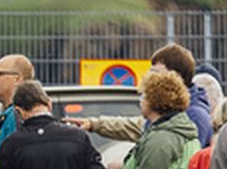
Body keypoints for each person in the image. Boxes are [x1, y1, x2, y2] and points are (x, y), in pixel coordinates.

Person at [75, 43, 213, 147]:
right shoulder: (168, 112)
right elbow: (134, 126)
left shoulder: (195, 115)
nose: (150, 78)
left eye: (156, 73)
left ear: (175, 76)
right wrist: (94, 124)